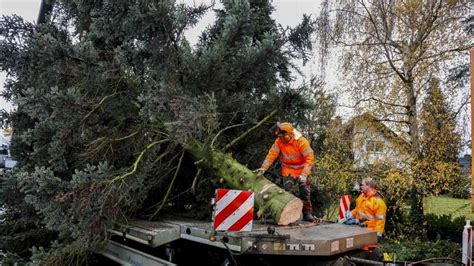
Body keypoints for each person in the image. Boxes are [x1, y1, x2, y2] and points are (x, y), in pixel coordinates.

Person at [256, 122, 315, 222]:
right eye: (279, 137)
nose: (281, 139)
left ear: (289, 134)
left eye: (282, 136)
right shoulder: (279, 141)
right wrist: (263, 168)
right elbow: (271, 155)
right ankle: (287, 214)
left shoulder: (301, 141)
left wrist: (304, 174)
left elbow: (310, 158)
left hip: (302, 171)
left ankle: (307, 213)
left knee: (305, 192)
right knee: (287, 191)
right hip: (288, 171)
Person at [344, 177, 387, 247]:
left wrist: (376, 236)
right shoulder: (361, 197)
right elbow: (357, 210)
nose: (360, 186)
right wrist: (350, 214)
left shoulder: (378, 202)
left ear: (368, 186)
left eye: (362, 185)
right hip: (357, 232)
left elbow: (380, 221)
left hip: (369, 235)